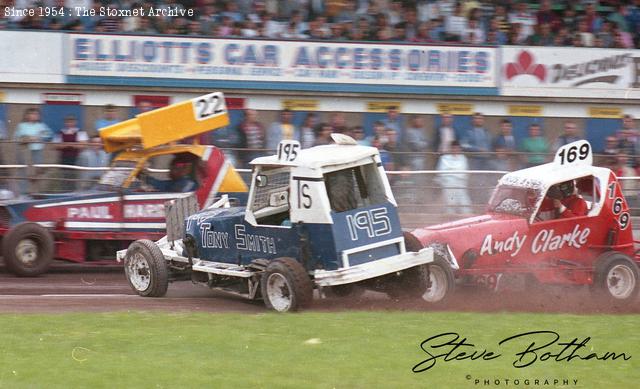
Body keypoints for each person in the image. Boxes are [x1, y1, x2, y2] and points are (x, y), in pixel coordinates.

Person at [435, 141, 472, 215]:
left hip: (460, 184)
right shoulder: (444, 158)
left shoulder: (463, 158)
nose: (455, 150)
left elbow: (463, 172)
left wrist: (452, 172)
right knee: (450, 203)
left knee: (464, 203)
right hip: (448, 184)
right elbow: (442, 172)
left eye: (457, 148)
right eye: (454, 148)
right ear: (451, 149)